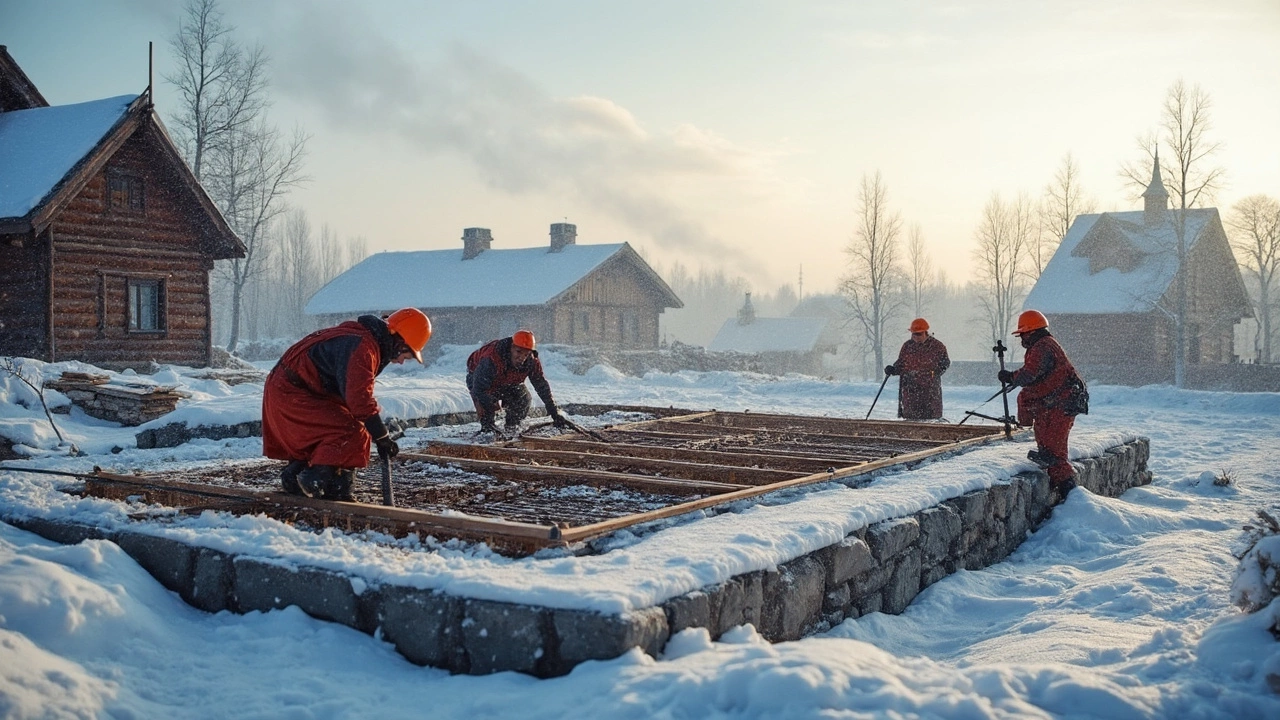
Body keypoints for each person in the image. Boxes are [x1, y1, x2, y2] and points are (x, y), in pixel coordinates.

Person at [262, 308, 432, 500]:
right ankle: (315, 479)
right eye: (406, 355)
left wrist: (376, 427)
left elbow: (354, 396)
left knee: (336, 428)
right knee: (351, 431)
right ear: (399, 342)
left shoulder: (363, 339)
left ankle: (296, 476)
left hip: (289, 387)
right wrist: (381, 436)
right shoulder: (363, 348)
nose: (401, 362)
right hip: (292, 392)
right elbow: (359, 400)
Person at [997, 309, 1089, 495]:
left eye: (1022, 334)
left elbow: (1030, 374)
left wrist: (1010, 377)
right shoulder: (1044, 345)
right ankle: (1061, 489)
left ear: (1031, 331)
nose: (1021, 339)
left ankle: (1070, 494)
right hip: (1054, 405)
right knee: (1048, 449)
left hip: (1060, 405)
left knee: (1054, 451)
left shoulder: (1042, 347)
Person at [467, 330, 565, 434]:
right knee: (485, 401)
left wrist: (554, 412)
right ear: (511, 348)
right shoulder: (491, 359)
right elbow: (479, 390)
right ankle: (487, 429)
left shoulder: (531, 362)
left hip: (508, 382)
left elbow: (541, 385)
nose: (522, 358)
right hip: (480, 382)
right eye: (518, 352)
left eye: (526, 354)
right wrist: (488, 421)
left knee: (524, 398)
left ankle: (512, 427)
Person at [884, 318, 951, 420]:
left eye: (919, 334)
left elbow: (945, 363)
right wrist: (893, 369)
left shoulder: (937, 346)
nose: (916, 337)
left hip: (930, 392)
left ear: (925, 332)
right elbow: (901, 364)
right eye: (914, 334)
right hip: (910, 392)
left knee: (931, 420)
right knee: (911, 421)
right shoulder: (907, 346)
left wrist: (934, 373)